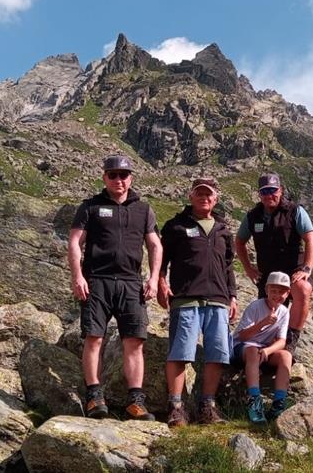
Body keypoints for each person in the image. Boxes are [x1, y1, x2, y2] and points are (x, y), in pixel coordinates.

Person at [68, 155, 162, 420]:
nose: (118, 180)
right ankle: (94, 397)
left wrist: (154, 278)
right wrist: (78, 276)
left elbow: (155, 245)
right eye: (113, 175)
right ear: (104, 178)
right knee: (94, 338)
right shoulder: (90, 206)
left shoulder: (143, 209)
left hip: (132, 283)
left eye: (123, 175)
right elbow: (75, 242)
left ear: (131, 177)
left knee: (134, 342)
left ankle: (135, 401)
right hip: (96, 280)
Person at [158, 177, 238, 427]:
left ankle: (207, 407)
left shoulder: (223, 230)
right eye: (199, 194)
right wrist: (160, 281)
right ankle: (176, 407)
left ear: (216, 199)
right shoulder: (175, 226)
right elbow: (161, 259)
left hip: (217, 299)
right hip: (185, 298)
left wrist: (232, 296)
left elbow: (228, 267)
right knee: (180, 354)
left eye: (209, 194)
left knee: (217, 354)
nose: (204, 198)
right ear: (190, 197)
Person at [234, 173, 313, 355]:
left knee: (303, 289)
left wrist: (307, 268)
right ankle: (262, 350)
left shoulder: (295, 211)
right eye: (265, 191)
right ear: (259, 194)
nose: (269, 195)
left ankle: (290, 341)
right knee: (265, 314)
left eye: (273, 190)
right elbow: (239, 242)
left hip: (294, 270)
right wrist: (248, 268)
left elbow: (311, 239)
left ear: (280, 190)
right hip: (268, 275)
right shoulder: (252, 216)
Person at [231, 271, 293, 424]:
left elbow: (281, 341)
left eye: (282, 292)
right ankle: (254, 399)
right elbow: (243, 336)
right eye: (274, 291)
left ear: (288, 293)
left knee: (286, 356)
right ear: (266, 290)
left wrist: (267, 350)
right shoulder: (255, 306)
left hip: (263, 349)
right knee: (252, 351)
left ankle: (279, 402)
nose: (277, 295)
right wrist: (264, 323)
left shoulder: (284, 312)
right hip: (243, 347)